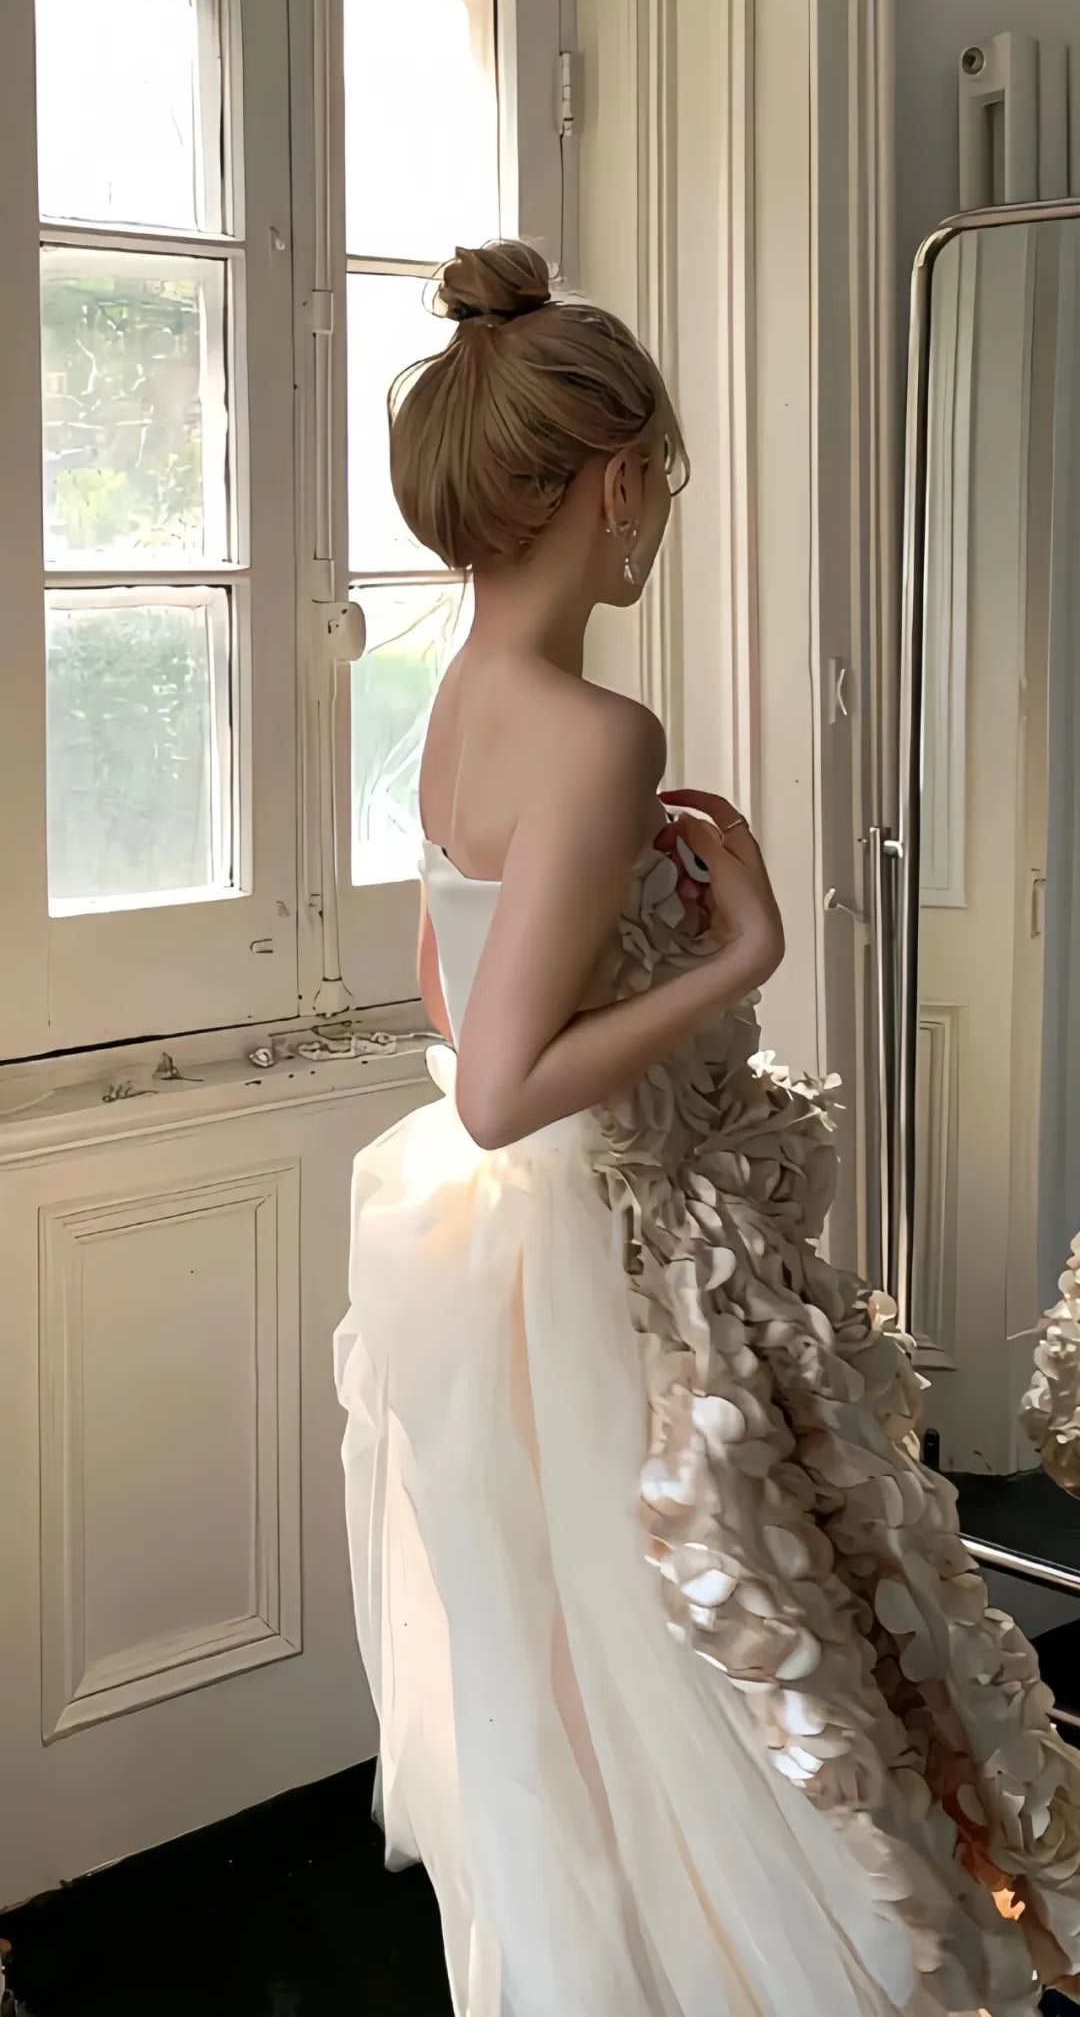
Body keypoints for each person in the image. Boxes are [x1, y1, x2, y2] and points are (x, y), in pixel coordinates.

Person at [334, 238, 1080, 2017]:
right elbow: (503, 1080)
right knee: (747, 1674)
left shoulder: (459, 704)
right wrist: (744, 948)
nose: (658, 516)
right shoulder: (599, 731)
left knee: (611, 1700)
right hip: (631, 1264)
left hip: (530, 1261)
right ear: (615, 482)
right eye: (659, 481)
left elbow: (449, 993)